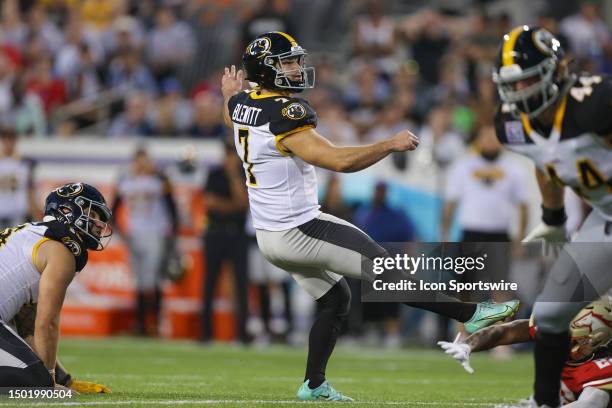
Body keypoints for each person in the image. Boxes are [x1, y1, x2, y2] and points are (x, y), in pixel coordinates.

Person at [223, 31, 519, 401]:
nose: (297, 69)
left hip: (269, 237)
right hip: (299, 228)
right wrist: (388, 143)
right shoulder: (286, 112)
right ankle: (471, 313)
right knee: (387, 269)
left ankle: (313, 385)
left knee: (336, 300)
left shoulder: (240, 104)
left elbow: (233, 112)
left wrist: (229, 94)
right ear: (266, 70)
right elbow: (339, 161)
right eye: (287, 63)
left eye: (296, 61)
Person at [492, 25, 612, 407]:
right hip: (606, 218)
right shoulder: (512, 126)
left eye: (528, 80)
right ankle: (545, 402)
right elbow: (546, 161)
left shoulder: (594, 102)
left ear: (556, 71)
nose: (521, 93)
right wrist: (554, 216)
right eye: (513, 84)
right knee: (549, 314)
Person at [0, 182, 112, 391]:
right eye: (93, 214)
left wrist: (63, 379)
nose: (98, 225)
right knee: (38, 386)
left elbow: (28, 326)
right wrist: (48, 382)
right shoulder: (61, 250)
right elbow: (47, 323)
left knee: (38, 380)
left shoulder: (32, 236)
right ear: (69, 210)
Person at [437, 299, 612, 407]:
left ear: (595, 341)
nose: (558, 340)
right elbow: (505, 332)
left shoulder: (603, 365)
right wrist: (468, 345)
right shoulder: (558, 331)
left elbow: (592, 403)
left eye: (570, 338)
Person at [112, 148, 178, 336]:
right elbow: (114, 207)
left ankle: (155, 324)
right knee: (140, 281)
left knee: (154, 279)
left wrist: (172, 233)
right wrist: (121, 232)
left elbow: (170, 201)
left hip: (156, 233)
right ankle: (141, 324)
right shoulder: (126, 181)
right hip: (135, 234)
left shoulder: (158, 179)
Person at [201, 142, 250, 344]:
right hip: (215, 235)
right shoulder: (213, 175)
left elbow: (244, 203)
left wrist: (233, 177)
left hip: (237, 236)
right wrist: (233, 206)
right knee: (209, 283)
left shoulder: (244, 175)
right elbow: (209, 202)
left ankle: (241, 334)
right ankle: (206, 333)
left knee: (241, 285)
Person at [0, 130, 38, 229]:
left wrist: (33, 209)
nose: (8, 144)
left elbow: (30, 188)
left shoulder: (25, 163)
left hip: (18, 211)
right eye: (5, 140)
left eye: (11, 140)